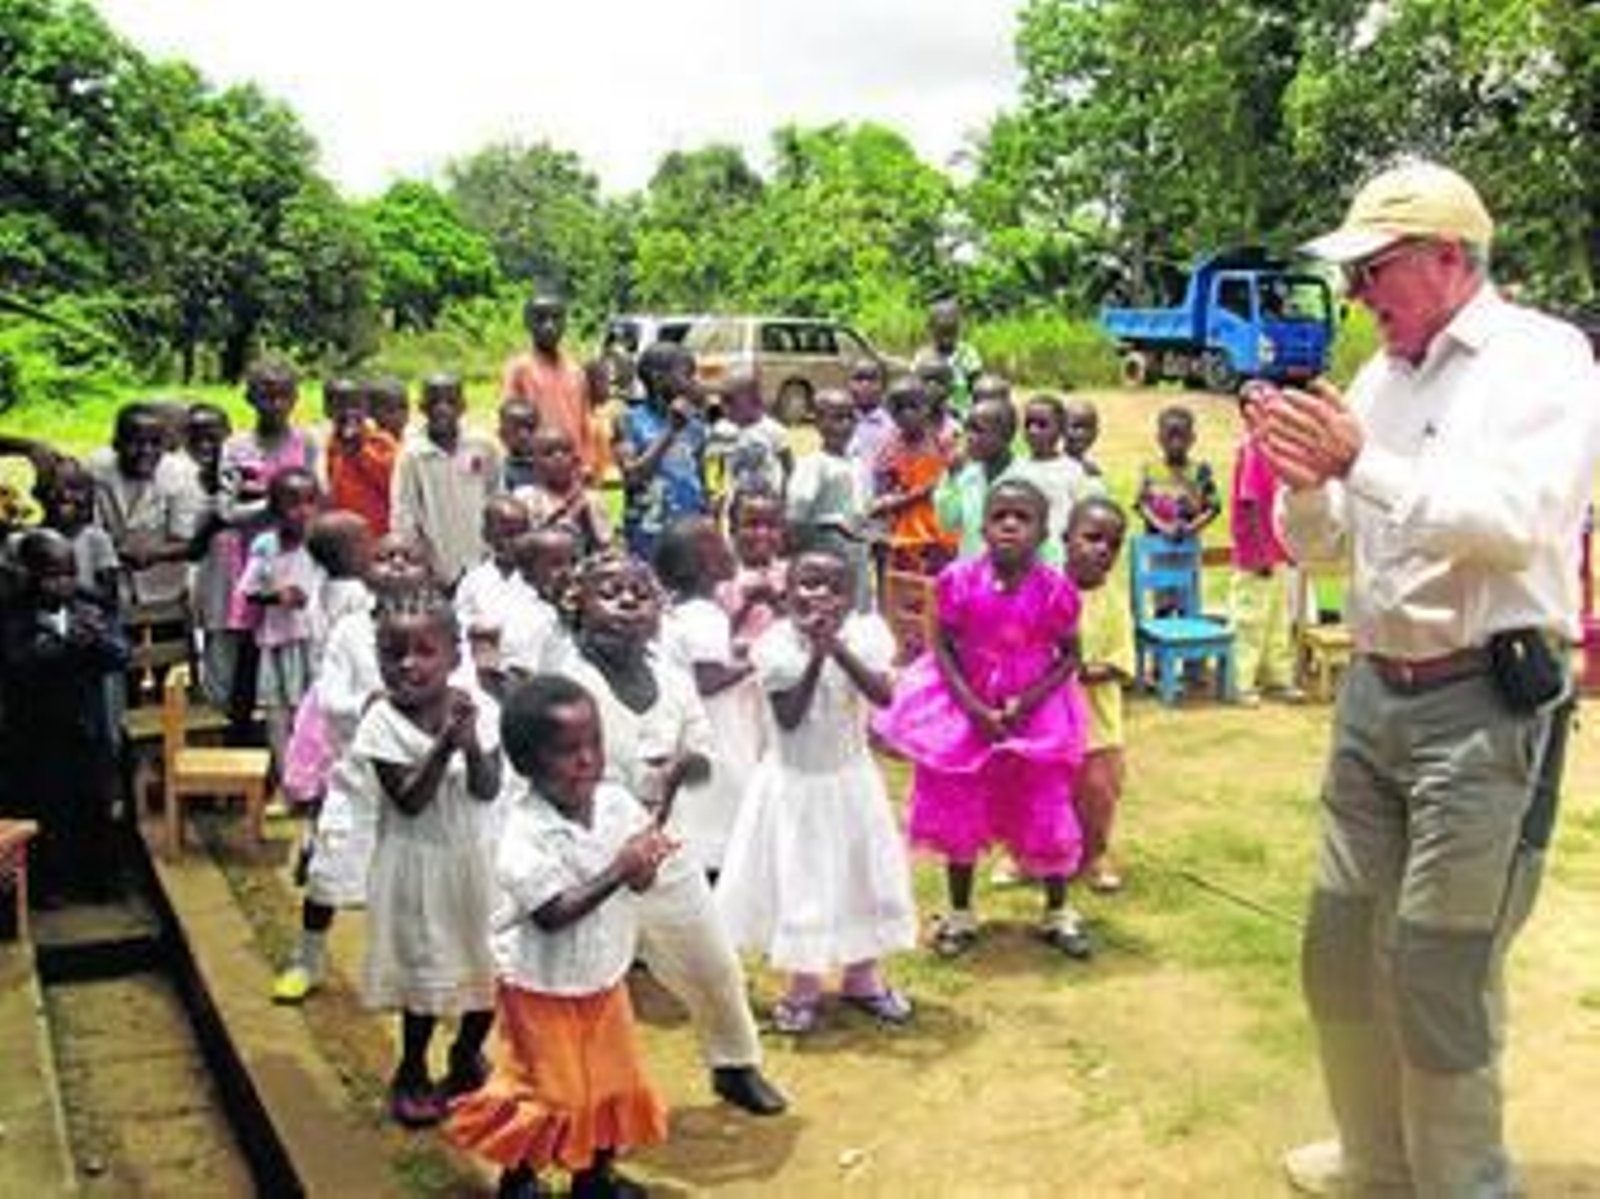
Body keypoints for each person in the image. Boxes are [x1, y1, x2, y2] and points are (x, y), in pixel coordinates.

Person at [1253, 160, 1600, 1197]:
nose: (1358, 296)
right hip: (1373, 693)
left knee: (1438, 969)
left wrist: (1358, 461)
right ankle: (1376, 1160)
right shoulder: (1377, 380)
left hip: (1480, 707)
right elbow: (1321, 546)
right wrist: (1304, 483)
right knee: (1338, 948)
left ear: (1449, 259)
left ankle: (1462, 1183)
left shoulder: (1541, 359)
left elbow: (1517, 523)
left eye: (1375, 270)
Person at [556, 552, 788, 1117]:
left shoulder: (671, 680)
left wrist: (683, 768)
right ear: (577, 604)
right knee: (587, 987)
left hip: (665, 850)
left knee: (712, 963)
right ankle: (576, 1105)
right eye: (610, 591)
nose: (629, 601)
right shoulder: (564, 682)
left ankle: (734, 1065)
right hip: (589, 864)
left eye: (641, 592)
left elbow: (703, 754)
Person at [448, 675, 672, 1199]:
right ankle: (520, 1178)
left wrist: (646, 862)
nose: (586, 760)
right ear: (526, 764)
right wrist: (621, 869)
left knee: (611, 1081)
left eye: (592, 744)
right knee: (550, 1092)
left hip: (602, 976)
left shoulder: (615, 805)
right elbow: (552, 912)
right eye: (566, 751)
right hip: (540, 988)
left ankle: (594, 1176)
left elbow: (641, 878)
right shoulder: (522, 833)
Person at [874, 480, 1091, 959]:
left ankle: (1057, 911)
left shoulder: (1055, 590)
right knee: (959, 802)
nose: (1010, 524)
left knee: (1044, 802)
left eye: (1022, 517)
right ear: (984, 525)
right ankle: (960, 913)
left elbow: (1071, 655)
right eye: (1000, 516)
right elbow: (943, 645)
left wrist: (1029, 700)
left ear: (1044, 531)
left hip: (1035, 711)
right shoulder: (958, 581)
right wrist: (972, 706)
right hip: (964, 703)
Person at [716, 550, 917, 1034]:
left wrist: (838, 650)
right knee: (802, 878)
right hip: (795, 787)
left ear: (850, 599)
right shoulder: (774, 646)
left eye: (832, 588)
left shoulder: (866, 636)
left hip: (850, 782)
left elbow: (883, 696)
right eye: (807, 584)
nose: (819, 596)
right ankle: (803, 983)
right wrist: (815, 658)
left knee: (859, 872)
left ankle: (863, 976)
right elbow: (788, 716)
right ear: (787, 592)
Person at [360, 588, 502, 1127]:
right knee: (424, 968)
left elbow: (488, 788)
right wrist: (445, 745)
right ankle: (413, 1066)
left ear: (455, 656)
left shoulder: (479, 708)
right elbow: (411, 802)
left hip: (476, 856)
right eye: (393, 654)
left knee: (483, 964)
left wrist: (468, 742)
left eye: (424, 651)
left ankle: (466, 1055)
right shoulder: (382, 721)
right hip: (416, 863)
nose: (408, 665)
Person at [271, 533, 430, 1005]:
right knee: (327, 873)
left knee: (415, 884)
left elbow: (458, 685)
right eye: (385, 557)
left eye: (408, 558)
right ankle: (308, 958)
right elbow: (330, 696)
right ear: (366, 571)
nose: (397, 565)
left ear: (427, 570)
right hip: (358, 773)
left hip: (420, 776)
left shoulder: (443, 625)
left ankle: (407, 972)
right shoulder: (349, 630)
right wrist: (372, 701)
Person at [0, 530, 129, 905]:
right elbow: (15, 662)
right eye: (52, 576)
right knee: (46, 808)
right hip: (35, 729)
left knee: (95, 802)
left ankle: (102, 881)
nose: (63, 584)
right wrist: (61, 646)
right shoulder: (12, 611)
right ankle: (50, 886)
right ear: (29, 574)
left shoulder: (90, 602)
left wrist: (97, 640)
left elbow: (120, 654)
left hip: (87, 723)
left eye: (69, 573)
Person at [655, 516, 760, 879]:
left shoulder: (680, 610)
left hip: (690, 729)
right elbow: (708, 677)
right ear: (704, 562)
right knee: (719, 809)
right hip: (715, 730)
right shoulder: (704, 614)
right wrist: (756, 662)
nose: (729, 544)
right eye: (718, 541)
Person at [1064, 496, 1135, 895]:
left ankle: (1094, 855)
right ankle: (1026, 854)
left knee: (1098, 792)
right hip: (1049, 718)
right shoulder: (1047, 589)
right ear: (1065, 539)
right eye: (1092, 538)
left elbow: (1122, 664)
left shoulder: (1114, 601)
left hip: (1099, 722)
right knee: (1043, 790)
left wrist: (1079, 671)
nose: (1103, 549)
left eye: (1113, 544)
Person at [234, 468, 323, 780]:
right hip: (277, 642)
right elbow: (248, 591)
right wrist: (277, 596)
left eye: (311, 501)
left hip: (313, 641)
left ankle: (314, 778)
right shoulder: (265, 545)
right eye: (293, 503)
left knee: (312, 711)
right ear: (274, 509)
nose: (303, 511)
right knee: (277, 712)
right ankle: (288, 778)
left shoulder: (322, 542)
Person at [391, 374, 503, 589]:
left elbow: (496, 495)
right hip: (436, 565)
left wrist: (493, 552)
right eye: (434, 402)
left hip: (482, 558)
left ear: (463, 406)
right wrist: (421, 564)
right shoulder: (413, 454)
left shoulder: (482, 445)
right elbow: (404, 514)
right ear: (422, 407)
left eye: (450, 402)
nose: (442, 409)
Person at [1228, 385, 1300, 706]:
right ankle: (1240, 681)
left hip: (1279, 549)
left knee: (1278, 618)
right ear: (1247, 413)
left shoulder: (1276, 448)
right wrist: (1260, 553)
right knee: (1250, 618)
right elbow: (1251, 504)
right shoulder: (1252, 450)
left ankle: (1278, 678)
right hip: (1257, 553)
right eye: (1263, 406)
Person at [88, 401, 198, 608]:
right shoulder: (96, 469)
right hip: (107, 584)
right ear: (116, 444)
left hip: (165, 588)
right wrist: (115, 553)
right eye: (135, 442)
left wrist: (154, 554)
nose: (145, 451)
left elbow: (191, 542)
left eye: (155, 443)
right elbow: (88, 529)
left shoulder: (182, 474)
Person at [613, 342, 709, 563]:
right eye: (686, 375)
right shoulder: (628, 420)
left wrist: (707, 517)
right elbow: (632, 477)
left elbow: (700, 479)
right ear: (658, 378)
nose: (693, 382)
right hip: (648, 535)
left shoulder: (696, 424)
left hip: (688, 533)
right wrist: (671, 431)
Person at [786, 390, 873, 612]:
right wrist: (829, 526)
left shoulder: (857, 464)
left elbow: (861, 511)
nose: (844, 425)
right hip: (825, 569)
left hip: (857, 566)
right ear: (818, 422)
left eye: (849, 417)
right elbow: (795, 521)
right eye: (836, 418)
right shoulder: (813, 465)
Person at [503, 291, 602, 479]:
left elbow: (585, 422)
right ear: (528, 323)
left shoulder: (576, 370)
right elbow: (511, 423)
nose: (549, 326)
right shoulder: (519, 368)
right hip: (535, 469)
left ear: (564, 323)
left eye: (556, 318)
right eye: (541, 319)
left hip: (573, 468)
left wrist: (588, 462)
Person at [871, 376, 952, 577]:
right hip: (902, 539)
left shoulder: (942, 444)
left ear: (926, 408)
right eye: (899, 409)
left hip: (939, 537)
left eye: (913, 407)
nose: (907, 414)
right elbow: (881, 502)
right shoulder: (888, 450)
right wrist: (919, 494)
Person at [1012, 393, 1094, 568]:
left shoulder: (1072, 471)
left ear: (1061, 430)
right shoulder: (1016, 469)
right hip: (1022, 558)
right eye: (1028, 424)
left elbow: (1084, 517)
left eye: (1042, 425)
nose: (1033, 430)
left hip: (1058, 560)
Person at [934, 395, 1020, 561]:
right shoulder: (967, 476)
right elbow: (947, 523)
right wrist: (950, 476)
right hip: (972, 575)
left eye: (978, 430)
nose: (969, 438)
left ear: (1006, 435)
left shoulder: (1026, 478)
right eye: (967, 429)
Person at [512, 424, 611, 557]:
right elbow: (519, 544)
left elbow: (605, 547)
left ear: (576, 459)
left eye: (566, 451)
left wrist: (587, 519)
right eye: (548, 453)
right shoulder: (524, 497)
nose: (558, 457)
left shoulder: (590, 498)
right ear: (534, 463)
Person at [704, 369, 791, 514]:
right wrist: (714, 494)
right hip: (733, 505)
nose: (723, 405)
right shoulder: (720, 429)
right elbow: (713, 464)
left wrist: (785, 496)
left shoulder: (773, 430)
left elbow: (789, 466)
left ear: (754, 398)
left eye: (730, 399)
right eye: (722, 399)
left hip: (767, 503)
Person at [322, 377, 398, 537]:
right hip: (346, 533)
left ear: (367, 409)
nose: (348, 412)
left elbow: (393, 484)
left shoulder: (381, 442)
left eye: (355, 405)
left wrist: (359, 450)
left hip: (380, 532)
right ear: (327, 410)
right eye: (339, 406)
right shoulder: (332, 443)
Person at [717, 487, 788, 658]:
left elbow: (803, 629)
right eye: (752, 524)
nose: (762, 533)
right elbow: (710, 638)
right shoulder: (718, 578)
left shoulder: (793, 575)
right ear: (733, 528)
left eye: (771, 526)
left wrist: (774, 601)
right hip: (733, 672)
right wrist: (746, 605)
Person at [1134, 405, 1220, 542]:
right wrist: (1162, 527)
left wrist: (1190, 528)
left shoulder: (1201, 471)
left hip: (1188, 546)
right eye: (1170, 436)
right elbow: (1140, 504)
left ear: (1192, 438)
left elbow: (1213, 507)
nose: (1176, 443)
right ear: (1159, 438)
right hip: (1155, 546)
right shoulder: (1150, 470)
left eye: (1182, 437)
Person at [920, 299, 983, 418]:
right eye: (941, 332)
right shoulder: (923, 355)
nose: (946, 338)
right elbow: (916, 385)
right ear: (930, 329)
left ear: (960, 328)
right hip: (930, 414)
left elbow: (977, 387)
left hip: (962, 413)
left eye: (951, 332)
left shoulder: (968, 354)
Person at [497, 396, 541, 492]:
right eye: (515, 429)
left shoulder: (546, 468)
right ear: (502, 434)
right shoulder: (497, 469)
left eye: (530, 427)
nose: (524, 435)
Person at [1062, 398, 1105, 483]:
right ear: (1061, 429)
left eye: (1088, 427)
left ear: (1096, 433)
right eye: (1075, 426)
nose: (1081, 433)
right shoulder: (1053, 466)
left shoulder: (1093, 470)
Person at [367, 376, 412, 445]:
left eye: (403, 407)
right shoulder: (365, 448)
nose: (399, 416)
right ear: (370, 412)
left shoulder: (415, 442)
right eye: (390, 411)